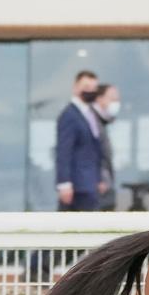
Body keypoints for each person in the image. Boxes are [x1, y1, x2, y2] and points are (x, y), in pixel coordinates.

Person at [55, 70, 106, 212]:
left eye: (93, 88)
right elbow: (63, 151)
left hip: (90, 184)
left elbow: (93, 149)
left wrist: (99, 179)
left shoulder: (90, 114)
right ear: (75, 87)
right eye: (86, 87)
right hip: (77, 187)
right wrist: (64, 184)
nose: (90, 91)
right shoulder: (69, 115)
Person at [91, 83, 120, 211]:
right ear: (99, 98)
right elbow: (90, 152)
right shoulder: (91, 121)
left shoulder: (102, 122)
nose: (116, 103)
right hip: (98, 186)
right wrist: (99, 178)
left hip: (104, 185)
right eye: (112, 99)